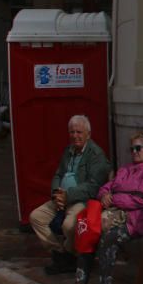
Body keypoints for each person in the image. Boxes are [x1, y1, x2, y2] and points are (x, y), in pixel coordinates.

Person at [62, 131, 143, 284]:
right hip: (115, 215)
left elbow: (141, 199)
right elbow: (105, 188)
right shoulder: (125, 169)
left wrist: (114, 198)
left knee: (108, 238)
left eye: (138, 148)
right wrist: (105, 195)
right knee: (88, 231)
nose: (134, 152)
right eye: (132, 149)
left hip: (137, 221)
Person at [31, 115, 111, 275]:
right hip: (61, 198)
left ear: (88, 133)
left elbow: (93, 187)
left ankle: (70, 255)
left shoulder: (96, 155)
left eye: (79, 132)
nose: (75, 136)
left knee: (69, 226)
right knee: (36, 217)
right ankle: (61, 254)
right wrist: (56, 194)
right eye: (72, 132)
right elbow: (58, 174)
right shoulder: (68, 150)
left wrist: (68, 195)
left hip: (81, 200)